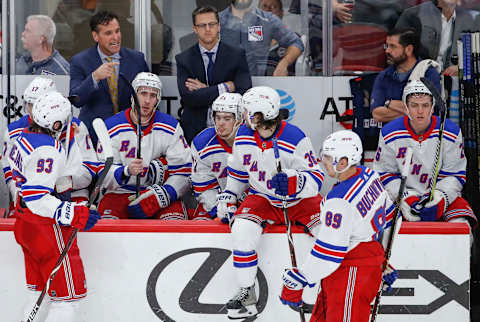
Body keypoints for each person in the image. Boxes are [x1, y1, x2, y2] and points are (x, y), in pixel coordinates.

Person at [217, 86, 325, 319]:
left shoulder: (295, 137)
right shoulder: (244, 135)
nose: (244, 115)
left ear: (258, 114)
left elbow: (317, 178)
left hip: (300, 200)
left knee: (327, 233)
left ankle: (326, 289)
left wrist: (295, 182)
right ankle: (247, 291)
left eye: (247, 111)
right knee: (242, 230)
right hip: (262, 197)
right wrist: (230, 194)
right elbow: (238, 172)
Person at [279, 130, 397, 322]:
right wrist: (381, 262)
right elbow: (389, 217)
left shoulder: (340, 200)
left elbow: (329, 253)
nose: (322, 161)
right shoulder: (369, 175)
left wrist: (300, 279)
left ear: (342, 162)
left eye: (327, 157)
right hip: (361, 266)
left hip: (351, 272)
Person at [7, 91, 100, 322]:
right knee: (67, 300)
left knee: (39, 293)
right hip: (45, 228)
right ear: (56, 122)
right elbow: (37, 196)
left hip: (24, 223)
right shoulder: (49, 150)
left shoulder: (24, 137)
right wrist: (73, 212)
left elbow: (39, 182)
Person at [374, 80, 477, 228]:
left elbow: (455, 174)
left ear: (432, 106)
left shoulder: (450, 132)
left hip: (441, 195)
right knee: (384, 226)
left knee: (461, 225)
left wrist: (440, 198)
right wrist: (405, 197)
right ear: (406, 107)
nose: (420, 111)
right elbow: (385, 174)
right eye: (414, 105)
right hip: (404, 196)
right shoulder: (389, 133)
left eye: (425, 105)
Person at [98, 72, 192, 220]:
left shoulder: (171, 126)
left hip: (156, 192)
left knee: (174, 224)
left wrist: (164, 194)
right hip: (118, 193)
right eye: (143, 94)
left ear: (158, 99)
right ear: (133, 95)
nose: (147, 100)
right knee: (107, 227)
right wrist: (125, 171)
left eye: (153, 95)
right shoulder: (111, 126)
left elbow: (184, 170)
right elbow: (101, 172)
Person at [2, 77, 98, 216]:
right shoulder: (14, 131)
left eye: (36, 104)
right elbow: (11, 171)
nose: (32, 110)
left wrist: (65, 181)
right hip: (31, 195)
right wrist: (20, 193)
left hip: (73, 194)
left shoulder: (76, 127)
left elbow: (89, 168)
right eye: (29, 104)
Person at [69, 10, 149, 146]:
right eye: (108, 33)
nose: (115, 37)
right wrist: (94, 77)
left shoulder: (137, 59)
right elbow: (76, 99)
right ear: (95, 36)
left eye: (117, 31)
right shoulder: (80, 61)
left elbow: (148, 95)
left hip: (129, 135)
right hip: (94, 136)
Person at [175, 5, 252, 144]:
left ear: (219, 26)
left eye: (212, 24)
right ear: (195, 29)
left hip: (231, 132)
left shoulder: (236, 55)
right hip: (195, 131)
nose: (208, 29)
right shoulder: (184, 59)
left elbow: (243, 93)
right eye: (202, 25)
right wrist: (225, 87)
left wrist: (205, 90)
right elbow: (189, 98)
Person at [370, 28, 441, 124]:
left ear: (408, 50)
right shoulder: (384, 76)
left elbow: (428, 111)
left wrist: (389, 104)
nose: (387, 51)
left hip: (422, 137)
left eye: (393, 46)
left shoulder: (428, 73)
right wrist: (413, 109)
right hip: (392, 136)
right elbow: (377, 115)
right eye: (386, 46)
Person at [190, 92, 243, 220]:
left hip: (249, 203)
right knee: (200, 228)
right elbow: (204, 187)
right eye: (218, 118)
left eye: (227, 119)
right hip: (216, 204)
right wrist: (218, 210)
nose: (220, 123)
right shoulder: (202, 143)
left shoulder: (254, 141)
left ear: (240, 119)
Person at [219, 0, 304, 76]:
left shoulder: (267, 20)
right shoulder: (217, 21)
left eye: (274, 7)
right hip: (226, 86)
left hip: (257, 86)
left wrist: (284, 63)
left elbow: (296, 42)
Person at [395, 0, 475, 75]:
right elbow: (396, 51)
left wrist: (462, 68)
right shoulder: (413, 15)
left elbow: (473, 56)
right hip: (418, 78)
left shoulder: (468, 19)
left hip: (453, 82)